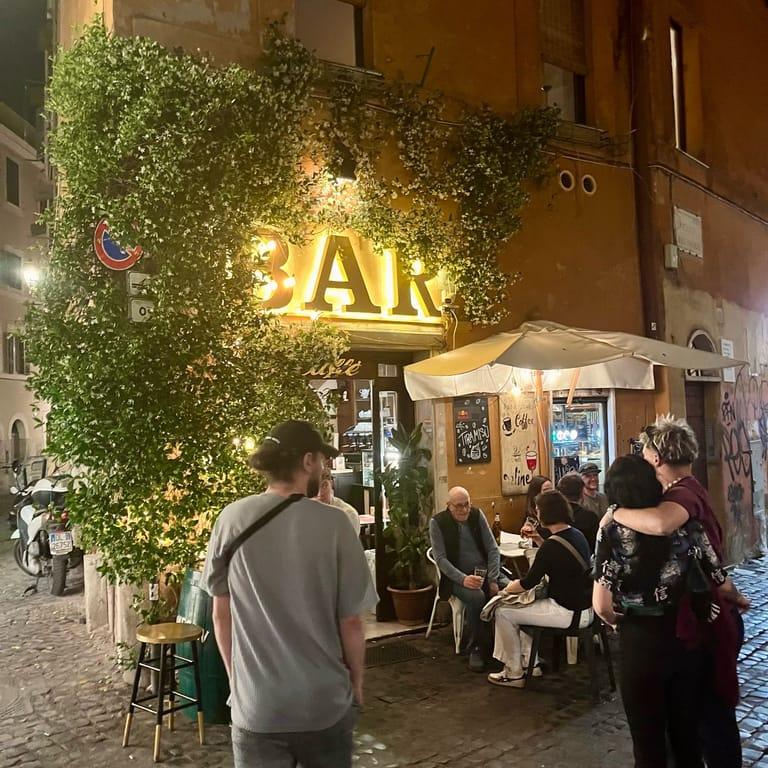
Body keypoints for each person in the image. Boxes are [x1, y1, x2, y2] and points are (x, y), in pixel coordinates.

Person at [202, 420, 376, 768]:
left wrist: (238, 683)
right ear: (308, 461)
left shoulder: (230, 519)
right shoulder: (336, 524)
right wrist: (356, 685)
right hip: (323, 704)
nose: (324, 470)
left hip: (258, 707)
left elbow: (221, 615)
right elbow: (352, 623)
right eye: (322, 461)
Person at [611, 415, 749, 768]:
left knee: (710, 721)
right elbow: (712, 564)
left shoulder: (680, 495)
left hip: (705, 621)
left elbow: (661, 524)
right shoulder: (690, 487)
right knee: (706, 720)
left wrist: (615, 514)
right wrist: (732, 593)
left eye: (645, 451)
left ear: (656, 457)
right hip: (711, 614)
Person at [593, 454, 728, 768]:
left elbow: (601, 605)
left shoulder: (611, 532)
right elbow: (717, 573)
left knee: (648, 746)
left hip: (639, 641)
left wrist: (617, 621)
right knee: (687, 740)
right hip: (684, 636)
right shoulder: (685, 525)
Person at [488, 490, 593, 688]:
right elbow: (557, 556)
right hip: (586, 607)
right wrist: (538, 540)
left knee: (503, 611)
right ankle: (531, 663)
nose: (536, 513)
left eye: (538, 510)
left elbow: (528, 583)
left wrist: (506, 588)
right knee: (520, 609)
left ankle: (514, 672)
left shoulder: (551, 546)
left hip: (566, 612)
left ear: (546, 513)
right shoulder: (576, 534)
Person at [429, 486, 508, 672]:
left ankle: (515, 645)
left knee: (512, 588)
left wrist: (493, 578)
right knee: (476, 596)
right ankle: (477, 647)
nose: (464, 510)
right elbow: (441, 559)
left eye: (467, 504)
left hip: (485, 572)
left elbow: (493, 549)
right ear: (449, 505)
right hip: (457, 578)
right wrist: (463, 579)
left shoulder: (476, 515)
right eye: (458, 506)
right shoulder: (437, 523)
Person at [557, 472, 599, 550]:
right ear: (582, 493)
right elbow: (596, 546)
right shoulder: (590, 517)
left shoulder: (553, 516)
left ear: (560, 493)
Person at [317, 470, 360, 535]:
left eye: (324, 486)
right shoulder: (303, 513)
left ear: (331, 483)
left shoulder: (348, 515)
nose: (320, 493)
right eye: (314, 487)